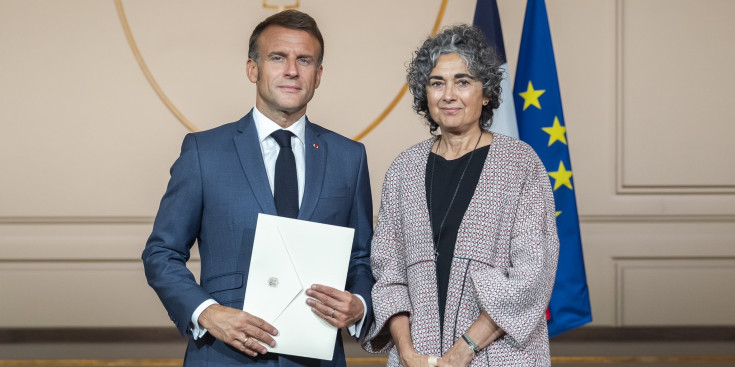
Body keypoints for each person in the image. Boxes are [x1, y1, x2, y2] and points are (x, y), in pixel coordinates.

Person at [142, 10, 374, 367]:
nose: (292, 70)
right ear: (253, 69)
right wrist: (207, 313)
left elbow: (361, 257)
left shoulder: (349, 157)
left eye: (305, 60)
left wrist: (359, 304)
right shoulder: (204, 152)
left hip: (317, 357)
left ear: (318, 75)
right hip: (223, 357)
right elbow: (162, 253)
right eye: (278, 58)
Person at [362, 25, 559, 366]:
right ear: (426, 94)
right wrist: (407, 353)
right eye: (437, 83)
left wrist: (463, 349)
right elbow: (388, 273)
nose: (448, 94)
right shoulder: (403, 169)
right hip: (417, 358)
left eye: (463, 82)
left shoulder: (520, 164)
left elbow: (532, 275)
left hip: (497, 356)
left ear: (486, 94)